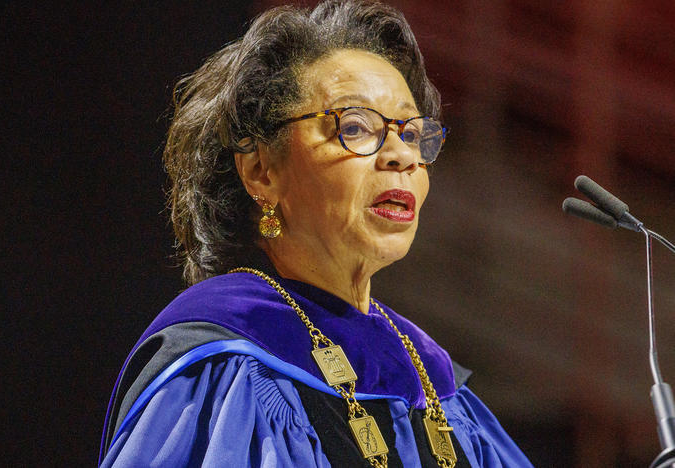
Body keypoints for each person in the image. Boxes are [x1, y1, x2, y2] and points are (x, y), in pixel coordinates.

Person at [99, 1, 533, 467]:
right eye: (355, 127)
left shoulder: (434, 384)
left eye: (410, 134)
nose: (402, 157)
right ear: (261, 171)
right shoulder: (225, 363)